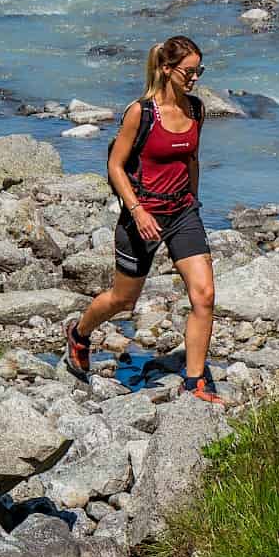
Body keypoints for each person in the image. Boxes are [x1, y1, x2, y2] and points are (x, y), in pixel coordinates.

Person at [65, 35, 220, 405]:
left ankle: (195, 382)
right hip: (142, 214)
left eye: (199, 71)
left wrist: (193, 202)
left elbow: (191, 160)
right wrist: (137, 209)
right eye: (188, 71)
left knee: (205, 295)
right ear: (166, 69)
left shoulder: (197, 110)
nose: (195, 78)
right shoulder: (141, 112)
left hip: (182, 212)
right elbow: (115, 166)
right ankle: (80, 334)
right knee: (123, 299)